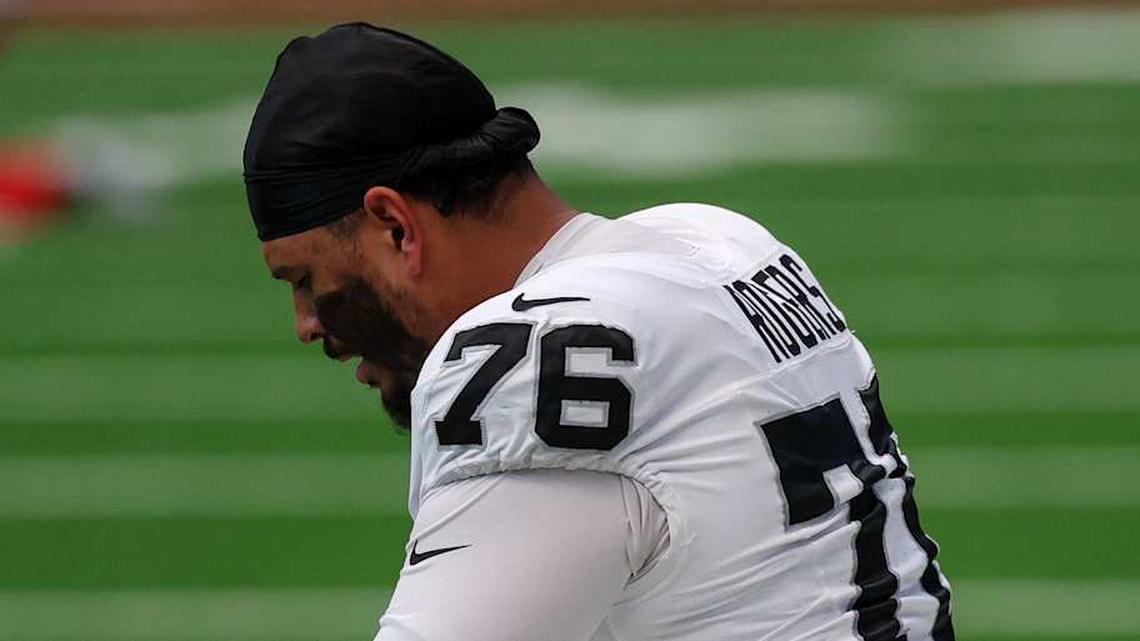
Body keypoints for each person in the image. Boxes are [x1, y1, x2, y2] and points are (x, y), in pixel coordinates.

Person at [242, 22, 954, 641]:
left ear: (396, 226)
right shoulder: (717, 240)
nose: (308, 324)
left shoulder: (542, 348)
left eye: (305, 279)